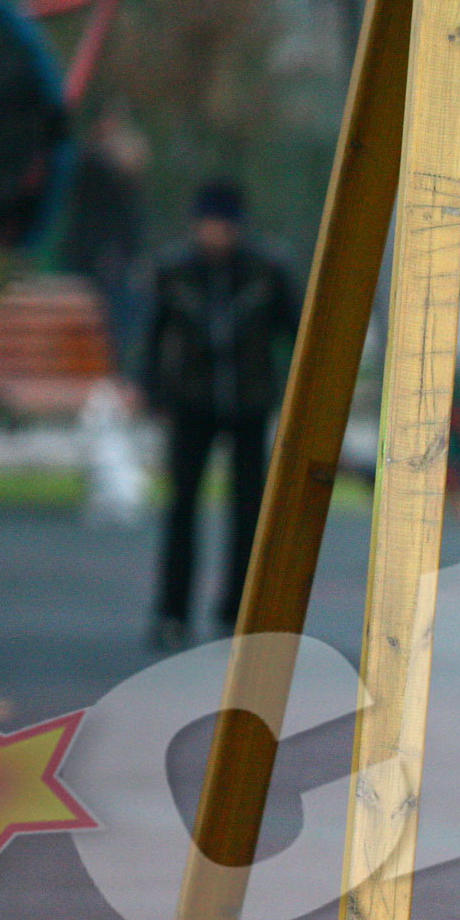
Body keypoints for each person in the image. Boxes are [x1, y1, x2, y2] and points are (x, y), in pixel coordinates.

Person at [138, 180, 300, 650]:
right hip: (191, 402)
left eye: (222, 225)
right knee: (181, 509)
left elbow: (296, 330)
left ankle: (239, 609)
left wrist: (291, 392)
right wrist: (153, 395)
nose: (214, 234)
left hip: (250, 400)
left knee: (249, 510)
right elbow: (154, 335)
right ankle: (173, 612)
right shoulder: (175, 271)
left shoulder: (267, 270)